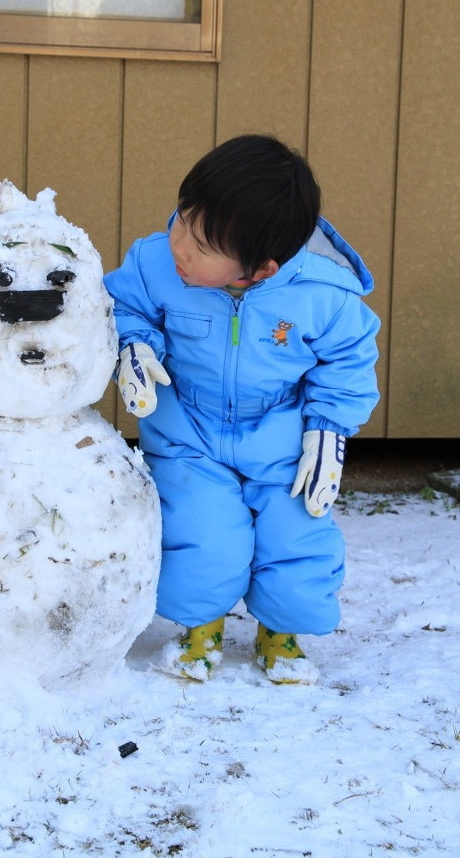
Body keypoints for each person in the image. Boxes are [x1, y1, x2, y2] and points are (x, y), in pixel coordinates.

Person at [103, 134, 380, 684]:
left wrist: (328, 427)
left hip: (282, 433)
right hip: (188, 431)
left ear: (261, 271)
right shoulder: (154, 263)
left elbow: (348, 360)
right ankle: (200, 626)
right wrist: (132, 346)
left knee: (297, 530)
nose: (180, 243)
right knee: (203, 533)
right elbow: (124, 307)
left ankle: (280, 632)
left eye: (201, 244)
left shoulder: (324, 294)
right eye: (183, 218)